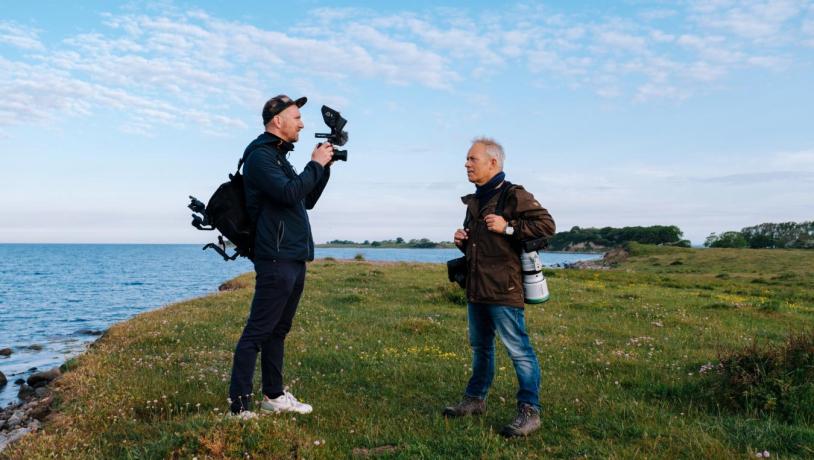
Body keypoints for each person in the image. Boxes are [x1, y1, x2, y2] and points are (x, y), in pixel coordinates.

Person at [228, 94, 335, 415]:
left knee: (278, 330)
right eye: (297, 117)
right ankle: (239, 408)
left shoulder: (278, 157)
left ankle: (273, 397)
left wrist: (325, 167)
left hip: (292, 255)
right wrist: (314, 163)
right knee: (257, 332)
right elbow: (290, 192)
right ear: (278, 120)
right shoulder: (261, 157)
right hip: (275, 256)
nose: (302, 123)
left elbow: (306, 199)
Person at [444, 137, 555, 437]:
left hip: (504, 289)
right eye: (467, 160)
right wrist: (464, 242)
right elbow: (483, 245)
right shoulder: (476, 199)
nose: (466, 164)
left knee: (519, 350)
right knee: (481, 348)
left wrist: (507, 227)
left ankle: (530, 411)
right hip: (477, 287)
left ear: (493, 162)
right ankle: (474, 400)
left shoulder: (513, 194)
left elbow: (547, 226)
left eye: (472, 159)